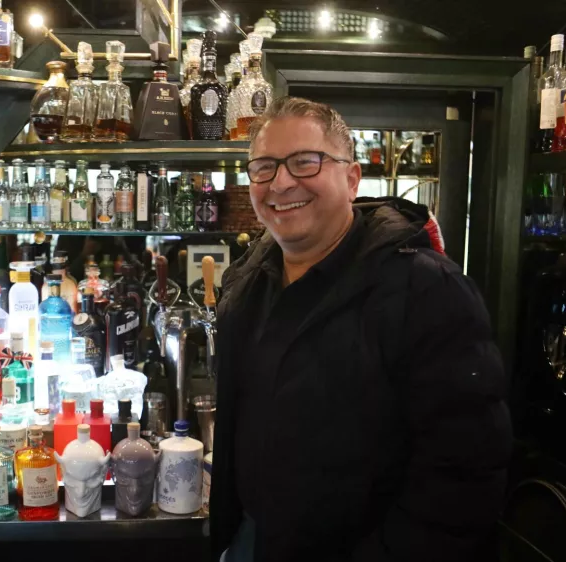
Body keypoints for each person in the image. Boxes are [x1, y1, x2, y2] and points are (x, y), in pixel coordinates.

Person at [210, 96, 512, 561]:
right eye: (264, 167)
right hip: (256, 539)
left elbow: (465, 472)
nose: (281, 182)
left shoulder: (427, 288)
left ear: (352, 179)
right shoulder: (247, 280)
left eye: (305, 162)